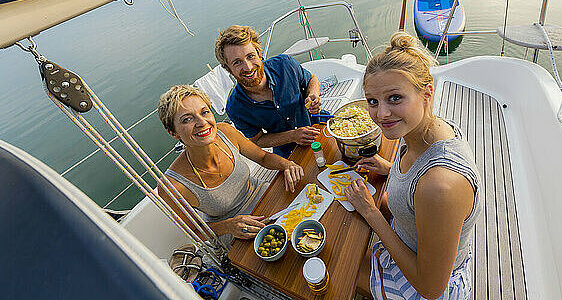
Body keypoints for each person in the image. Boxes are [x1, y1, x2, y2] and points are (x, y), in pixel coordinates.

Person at [344, 33, 481, 300]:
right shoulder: (425, 131)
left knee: (339, 270)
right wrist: (390, 167)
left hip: (428, 284)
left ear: (426, 92)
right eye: (373, 101)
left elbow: (430, 289)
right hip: (413, 241)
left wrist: (372, 213)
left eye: (394, 98)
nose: (381, 114)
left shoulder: (439, 186)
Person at [157, 85, 304, 246]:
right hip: (235, 231)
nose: (201, 122)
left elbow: (262, 157)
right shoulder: (172, 186)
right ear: (173, 132)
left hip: (266, 196)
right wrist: (228, 225)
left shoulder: (225, 131)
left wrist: (287, 164)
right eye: (187, 119)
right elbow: (194, 232)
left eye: (204, 112)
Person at [215, 25, 323, 158]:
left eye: (250, 56)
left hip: (320, 124)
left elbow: (311, 79)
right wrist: (293, 136)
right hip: (288, 149)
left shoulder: (285, 64)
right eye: (237, 62)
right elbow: (258, 140)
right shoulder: (235, 108)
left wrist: (313, 95)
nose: (248, 67)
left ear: (260, 55)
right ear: (228, 69)